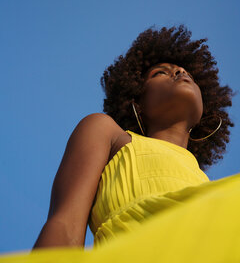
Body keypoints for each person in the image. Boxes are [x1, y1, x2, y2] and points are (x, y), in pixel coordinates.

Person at [1, 25, 240, 262]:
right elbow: (65, 224)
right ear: (136, 101)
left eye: (187, 72)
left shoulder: (209, 186)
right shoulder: (109, 134)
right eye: (160, 73)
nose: (179, 71)